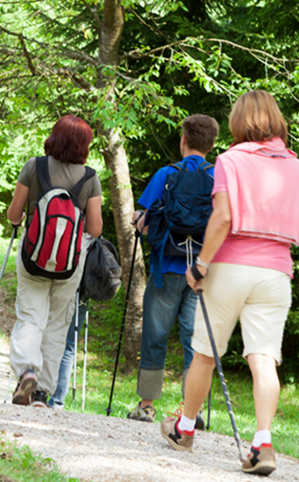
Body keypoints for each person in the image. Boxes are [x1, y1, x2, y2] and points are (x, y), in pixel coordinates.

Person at [159, 90, 299, 477]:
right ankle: (262, 443)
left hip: (231, 266)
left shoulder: (231, 160)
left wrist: (201, 264)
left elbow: (224, 217)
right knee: (264, 358)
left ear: (238, 121)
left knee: (205, 353)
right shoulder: (298, 167)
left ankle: (185, 428)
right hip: (277, 270)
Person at [126, 114, 220, 423]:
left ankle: (147, 404)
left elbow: (143, 222)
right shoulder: (219, 178)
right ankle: (191, 411)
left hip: (166, 266)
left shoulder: (166, 174)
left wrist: (137, 222)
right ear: (212, 144)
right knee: (196, 339)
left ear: (183, 140)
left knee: (155, 333)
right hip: (203, 272)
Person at [6, 115, 103, 408]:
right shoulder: (90, 177)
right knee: (57, 326)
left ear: (54, 137)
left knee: (30, 317)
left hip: (33, 258)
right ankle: (41, 393)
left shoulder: (33, 167)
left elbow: (13, 214)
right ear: (84, 145)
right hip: (69, 264)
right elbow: (95, 229)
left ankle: (26, 371)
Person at [47, 299, 87, 409]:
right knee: (68, 348)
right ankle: (57, 401)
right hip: (83, 295)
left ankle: (37, 395)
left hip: (64, 291)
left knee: (48, 340)